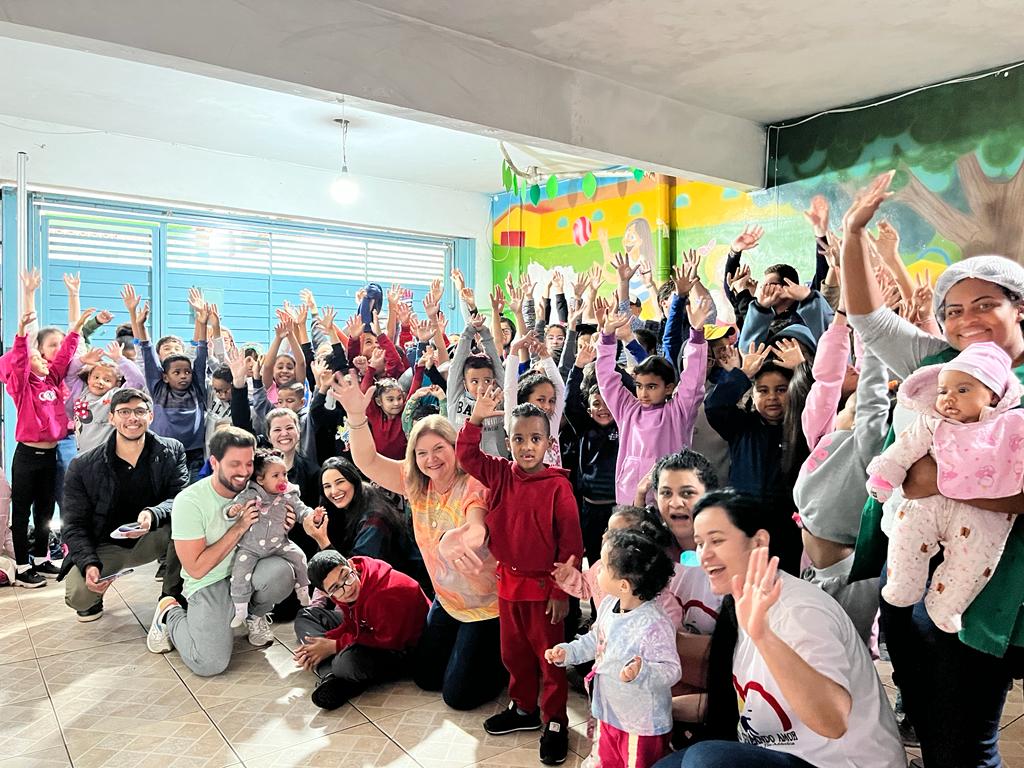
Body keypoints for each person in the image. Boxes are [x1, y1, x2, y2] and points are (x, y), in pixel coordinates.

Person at [842, 171, 1024, 767]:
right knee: (931, 723)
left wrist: (935, 479)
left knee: (966, 741)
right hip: (911, 575)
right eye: (953, 310)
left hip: (993, 591)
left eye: (986, 304)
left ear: (1018, 308)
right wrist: (853, 234)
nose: (968, 319)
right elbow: (869, 319)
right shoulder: (939, 362)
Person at [658, 489, 904, 768]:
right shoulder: (738, 608)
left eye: (717, 540)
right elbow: (742, 708)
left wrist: (763, 637)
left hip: (838, 763)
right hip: (777, 754)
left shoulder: (799, 611)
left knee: (706, 760)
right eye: (700, 543)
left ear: (759, 542)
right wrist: (656, 704)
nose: (705, 555)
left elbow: (834, 722)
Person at [333, 374, 507, 710]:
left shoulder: (473, 483)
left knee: (458, 697)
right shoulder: (416, 483)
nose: (431, 459)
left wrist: (455, 539)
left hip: (486, 606)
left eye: (439, 448)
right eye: (422, 452)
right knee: (425, 677)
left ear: (455, 447)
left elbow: (477, 527)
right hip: (447, 600)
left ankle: (505, 657)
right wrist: (356, 416)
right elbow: (367, 462)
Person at [456, 389, 584, 766]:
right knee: (513, 653)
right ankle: (524, 708)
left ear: (549, 443)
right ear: (507, 439)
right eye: (518, 438)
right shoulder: (499, 473)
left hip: (545, 590)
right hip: (508, 586)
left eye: (535, 438)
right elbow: (466, 455)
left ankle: (555, 720)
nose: (526, 447)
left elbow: (572, 544)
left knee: (550, 658)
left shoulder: (558, 487)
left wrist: (561, 591)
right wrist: (475, 419)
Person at [866, 341, 1024, 634]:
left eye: (963, 390)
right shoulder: (932, 423)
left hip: (981, 519)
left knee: (974, 561)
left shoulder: (1012, 427)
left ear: (993, 395)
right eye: (942, 391)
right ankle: (903, 584)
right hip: (927, 506)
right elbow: (903, 450)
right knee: (907, 533)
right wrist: (883, 477)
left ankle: (948, 606)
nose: (949, 398)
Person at [145, 427, 296, 675]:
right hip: (209, 581)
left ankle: (253, 615)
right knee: (209, 664)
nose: (244, 472)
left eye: (249, 463)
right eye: (235, 464)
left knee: (283, 571)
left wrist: (283, 526)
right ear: (214, 462)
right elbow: (196, 568)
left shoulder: (258, 488)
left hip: (247, 572)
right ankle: (169, 613)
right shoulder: (190, 501)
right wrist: (238, 527)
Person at [547, 529, 681, 768]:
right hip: (609, 712)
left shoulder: (654, 623)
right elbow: (595, 640)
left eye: (604, 567)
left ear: (624, 585)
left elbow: (672, 669)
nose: (597, 570)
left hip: (640, 725)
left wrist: (642, 672)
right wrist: (568, 652)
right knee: (605, 760)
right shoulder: (609, 604)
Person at [59, 388, 189, 621]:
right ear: (111, 418)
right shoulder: (83, 466)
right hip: (106, 544)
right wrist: (89, 563)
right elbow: (73, 524)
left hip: (152, 537)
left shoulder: (172, 450)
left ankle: (170, 598)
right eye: (124, 412)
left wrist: (154, 514)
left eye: (139, 411)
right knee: (79, 596)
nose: (132, 418)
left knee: (185, 524)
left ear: (150, 416)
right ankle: (95, 594)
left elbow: (180, 499)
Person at [3, 307, 89, 587]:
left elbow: (63, 357)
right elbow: (17, 362)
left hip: (49, 455)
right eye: (37, 357)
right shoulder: (22, 387)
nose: (43, 360)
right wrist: (20, 334)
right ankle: (22, 566)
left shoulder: (51, 381)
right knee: (21, 511)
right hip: (28, 456)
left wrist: (76, 328)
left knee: (45, 510)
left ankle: (41, 559)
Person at [596, 301, 710, 505]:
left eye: (651, 386)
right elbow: (606, 378)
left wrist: (697, 335)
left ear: (669, 388)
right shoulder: (628, 409)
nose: (643, 393)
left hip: (670, 502)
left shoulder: (678, 412)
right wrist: (607, 336)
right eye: (639, 386)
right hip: (629, 499)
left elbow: (693, 380)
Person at [293, 549, 430, 709]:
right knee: (307, 616)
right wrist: (322, 644)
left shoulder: (383, 594)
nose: (347, 588)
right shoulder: (353, 583)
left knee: (345, 664)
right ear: (325, 593)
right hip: (366, 629)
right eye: (335, 588)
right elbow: (352, 623)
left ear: (351, 565)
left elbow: (387, 640)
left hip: (400, 648)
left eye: (346, 576)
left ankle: (335, 676)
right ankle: (331, 676)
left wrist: (334, 646)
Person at [225, 447, 322, 627]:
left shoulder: (288, 494)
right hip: (251, 547)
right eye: (276, 475)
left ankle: (302, 590)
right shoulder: (251, 494)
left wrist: (312, 516)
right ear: (260, 479)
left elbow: (301, 510)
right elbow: (233, 507)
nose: (282, 479)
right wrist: (232, 511)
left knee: (300, 557)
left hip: (279, 543)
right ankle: (241, 609)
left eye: (284, 474)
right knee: (240, 573)